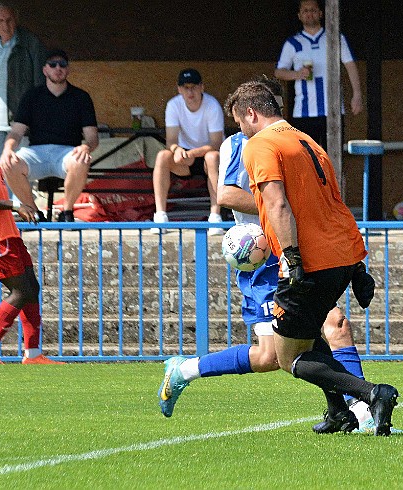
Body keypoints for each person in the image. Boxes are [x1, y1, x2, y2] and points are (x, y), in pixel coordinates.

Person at [158, 79, 389, 434]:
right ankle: (185, 370)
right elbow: (229, 196)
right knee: (276, 354)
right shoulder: (245, 143)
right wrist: (292, 216)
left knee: (330, 327)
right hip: (269, 258)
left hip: (303, 252)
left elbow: (327, 203)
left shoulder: (296, 140)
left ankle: (354, 411)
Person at [223, 79, 398, 436]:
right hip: (341, 256)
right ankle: (338, 414)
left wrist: (291, 260)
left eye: (239, 123)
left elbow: (277, 204)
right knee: (311, 335)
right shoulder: (308, 142)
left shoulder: (259, 144)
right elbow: (335, 205)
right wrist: (358, 265)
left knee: (289, 358)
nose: (240, 131)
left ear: (252, 114)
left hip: (310, 261)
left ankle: (372, 394)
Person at [0, 106, 63, 365]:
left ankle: (32, 354)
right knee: (21, 291)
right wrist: (15, 205)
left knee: (32, 288)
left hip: (6, 233)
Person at [0, 49, 98, 222]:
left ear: (68, 70)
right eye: (52, 64)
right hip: (36, 152)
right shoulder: (31, 96)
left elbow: (92, 137)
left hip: (67, 153)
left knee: (82, 159)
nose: (57, 68)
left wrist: (86, 147)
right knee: (7, 163)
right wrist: (8, 149)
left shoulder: (81, 97)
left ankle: (67, 212)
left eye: (62, 64)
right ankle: (34, 211)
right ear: (45, 70)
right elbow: (16, 131)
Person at [273, 0, 363, 150]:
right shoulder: (293, 43)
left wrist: (357, 94)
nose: (309, 14)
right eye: (305, 11)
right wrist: (297, 74)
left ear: (321, 14)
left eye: (313, 10)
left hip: (333, 109)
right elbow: (279, 72)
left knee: (333, 155)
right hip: (303, 111)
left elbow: (350, 64)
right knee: (307, 158)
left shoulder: (335, 38)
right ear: (299, 16)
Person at [152, 68, 225, 233]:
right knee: (163, 156)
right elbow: (170, 141)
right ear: (179, 89)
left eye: (193, 87)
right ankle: (160, 215)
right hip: (185, 158)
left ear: (202, 87)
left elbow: (216, 143)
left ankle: (215, 216)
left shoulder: (212, 105)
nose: (190, 91)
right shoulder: (173, 105)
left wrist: (192, 153)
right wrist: (177, 150)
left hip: (208, 155)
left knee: (213, 157)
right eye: (185, 87)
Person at [0, 2, 47, 160]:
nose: (6, 25)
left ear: (16, 19)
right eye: (1, 21)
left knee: (19, 168)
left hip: (20, 122)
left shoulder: (31, 44)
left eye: (9, 20)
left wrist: (35, 116)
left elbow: (39, 83)